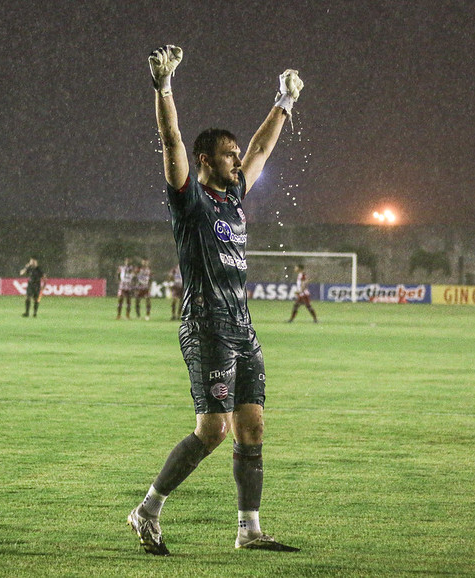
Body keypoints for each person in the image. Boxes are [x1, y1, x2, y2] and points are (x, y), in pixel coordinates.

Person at [127, 45, 303, 555]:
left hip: (242, 326)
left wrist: (283, 102)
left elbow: (261, 149)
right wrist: (163, 89)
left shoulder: (233, 196)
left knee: (252, 425)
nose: (238, 162)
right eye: (229, 155)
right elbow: (171, 139)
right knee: (212, 429)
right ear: (207, 160)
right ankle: (147, 510)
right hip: (206, 325)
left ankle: (249, 530)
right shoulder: (191, 199)